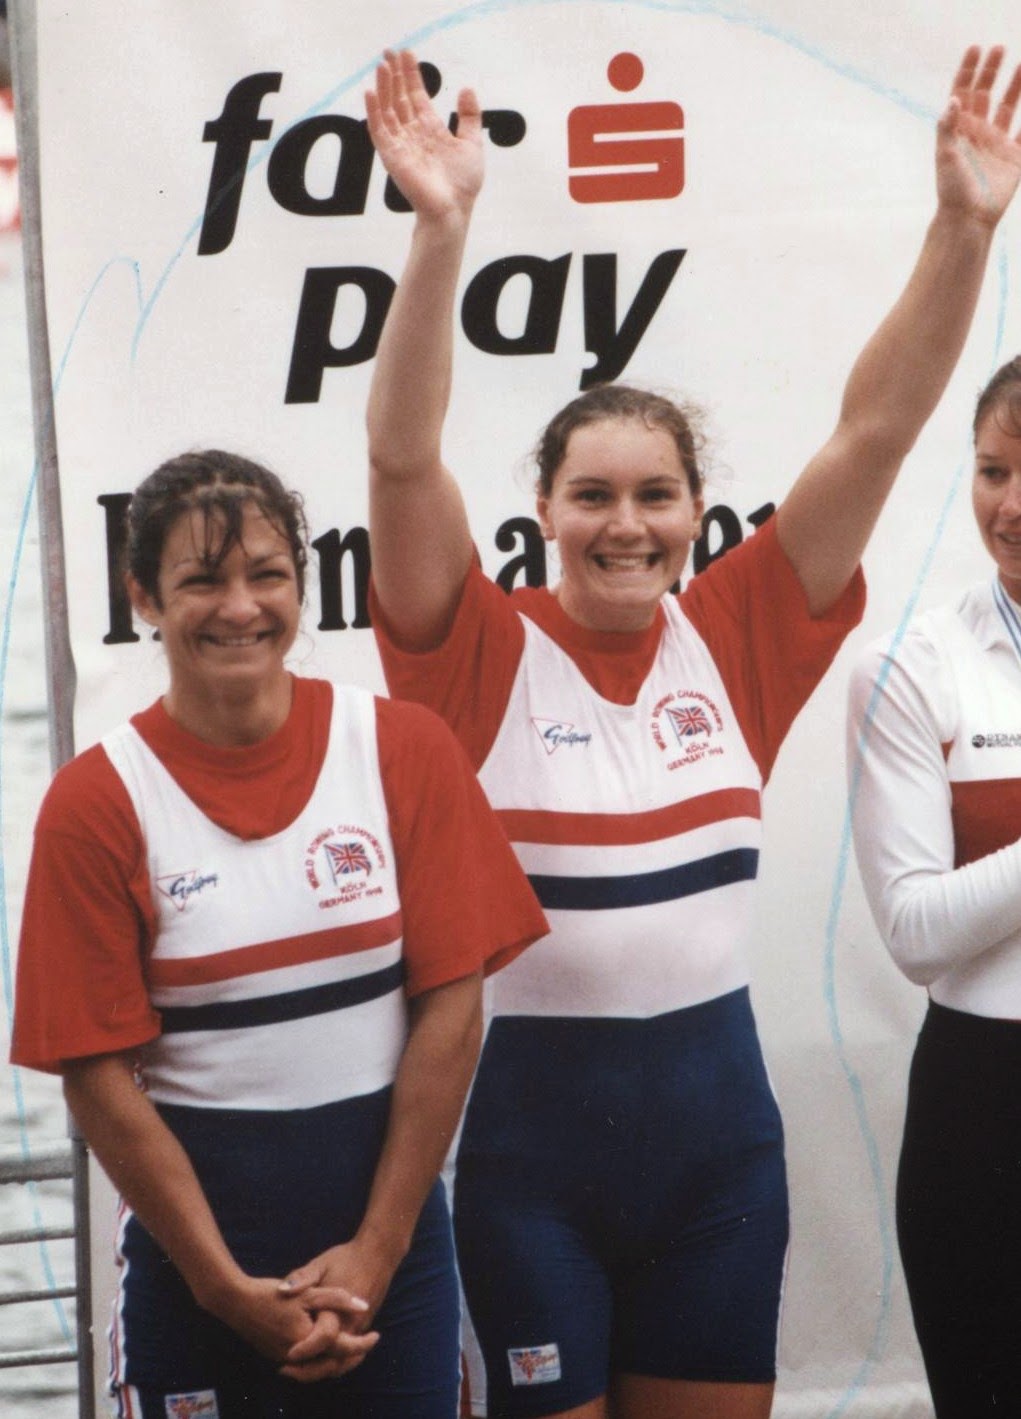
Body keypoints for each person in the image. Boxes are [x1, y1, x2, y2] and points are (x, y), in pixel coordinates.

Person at [362, 42, 1021, 1419]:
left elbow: (883, 425)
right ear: (542, 509)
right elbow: (402, 456)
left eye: (655, 494)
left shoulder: (738, 633)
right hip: (529, 1163)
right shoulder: (470, 649)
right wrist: (441, 233)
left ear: (693, 510)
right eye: (591, 493)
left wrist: (964, 230)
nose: (625, 523)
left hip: (718, 1158)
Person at [10, 451, 547, 1419]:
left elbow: (453, 1007)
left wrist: (376, 1255)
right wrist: (221, 1286)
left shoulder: (399, 748)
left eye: (266, 575)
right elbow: (93, 1074)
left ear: (302, 585)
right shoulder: (95, 802)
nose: (240, 607)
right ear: (142, 597)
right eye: (201, 580)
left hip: (393, 1267)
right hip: (197, 1280)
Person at [847, 357, 1021, 1419]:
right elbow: (915, 931)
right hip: (988, 1100)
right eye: (993, 469)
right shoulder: (911, 663)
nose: (1009, 506)